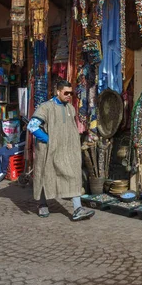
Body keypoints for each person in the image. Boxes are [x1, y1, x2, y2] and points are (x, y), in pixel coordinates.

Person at [27, 80, 94, 221]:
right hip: (48, 150)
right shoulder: (45, 108)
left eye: (71, 93)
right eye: (66, 93)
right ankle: (42, 204)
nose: (69, 96)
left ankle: (77, 208)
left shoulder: (71, 108)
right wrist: (48, 140)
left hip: (67, 150)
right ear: (58, 92)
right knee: (47, 175)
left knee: (74, 175)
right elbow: (32, 126)